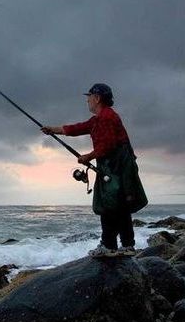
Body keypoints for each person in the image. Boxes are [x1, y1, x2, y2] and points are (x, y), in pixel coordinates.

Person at [41, 83, 147, 257]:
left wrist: (87, 157)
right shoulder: (99, 118)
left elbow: (109, 145)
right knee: (121, 207)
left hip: (116, 168)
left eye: (89, 97)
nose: (87, 100)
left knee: (108, 206)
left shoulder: (106, 117)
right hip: (117, 168)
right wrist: (53, 130)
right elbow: (78, 128)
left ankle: (109, 246)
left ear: (97, 98)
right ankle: (127, 246)